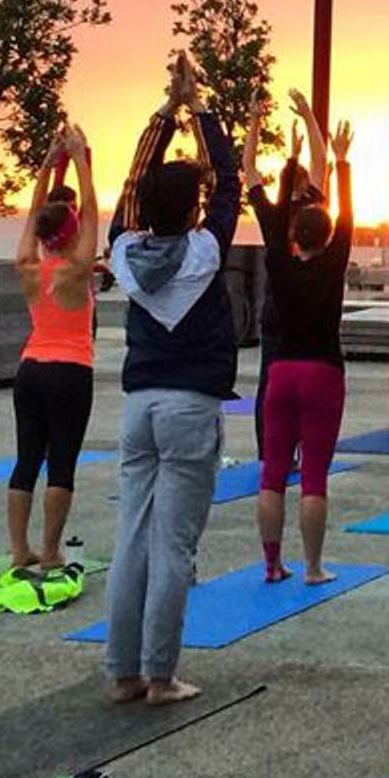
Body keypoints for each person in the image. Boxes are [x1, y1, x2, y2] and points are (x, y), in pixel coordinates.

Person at [103, 54, 240, 707]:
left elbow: (135, 182)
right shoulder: (205, 250)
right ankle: (161, 675)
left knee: (132, 540)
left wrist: (166, 112)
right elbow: (229, 179)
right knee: (174, 547)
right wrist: (199, 107)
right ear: (193, 211)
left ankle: (123, 673)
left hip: (140, 406)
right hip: (190, 408)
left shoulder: (125, 251)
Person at [247, 91, 354, 585]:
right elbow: (346, 211)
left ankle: (272, 565)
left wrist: (254, 123)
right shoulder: (333, 264)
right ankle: (312, 567)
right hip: (323, 372)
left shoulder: (276, 254)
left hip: (282, 369)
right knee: (313, 477)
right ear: (327, 235)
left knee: (272, 473)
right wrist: (342, 160)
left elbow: (250, 175)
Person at [7, 123, 98, 574]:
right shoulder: (77, 269)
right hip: (70, 371)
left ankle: (18, 549)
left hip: (30, 369)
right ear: (73, 231)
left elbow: (32, 216)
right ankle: (49, 551)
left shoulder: (27, 266)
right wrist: (79, 159)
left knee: (27, 460)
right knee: (62, 463)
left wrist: (46, 165)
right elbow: (93, 211)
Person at [251, 115, 329, 462]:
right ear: (305, 184)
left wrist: (255, 123)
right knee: (304, 380)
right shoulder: (314, 213)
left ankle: (268, 451)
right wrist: (308, 116)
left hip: (275, 306)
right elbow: (322, 162)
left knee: (269, 382)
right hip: (308, 307)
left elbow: (249, 169)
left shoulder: (273, 216)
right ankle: (298, 447)